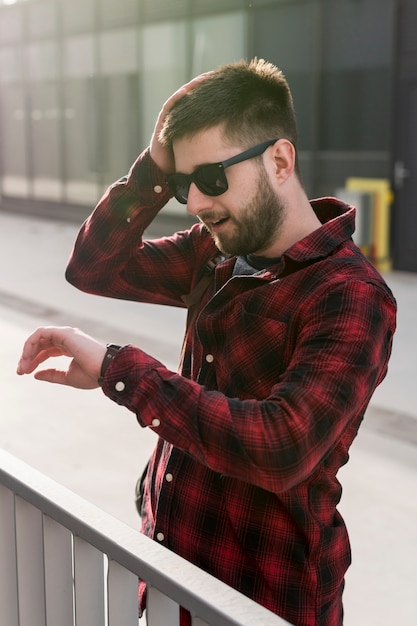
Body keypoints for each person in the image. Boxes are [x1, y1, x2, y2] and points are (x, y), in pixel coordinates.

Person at [17, 58, 396, 626]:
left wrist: (117, 371)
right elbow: (95, 268)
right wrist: (151, 170)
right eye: (181, 183)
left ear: (280, 160)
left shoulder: (349, 294)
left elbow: (280, 446)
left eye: (213, 179)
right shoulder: (215, 251)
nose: (193, 202)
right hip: (168, 582)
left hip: (262, 602)